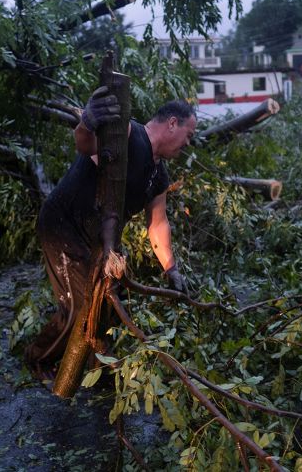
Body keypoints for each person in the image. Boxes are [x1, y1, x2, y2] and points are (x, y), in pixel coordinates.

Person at [24, 88, 196, 379]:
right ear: (172, 124)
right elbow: (86, 145)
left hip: (98, 240)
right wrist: (87, 122)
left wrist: (172, 270)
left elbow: (158, 224)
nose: (188, 144)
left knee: (106, 304)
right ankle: (37, 360)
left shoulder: (159, 174)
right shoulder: (128, 133)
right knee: (78, 306)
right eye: (189, 135)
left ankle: (94, 368)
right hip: (64, 225)